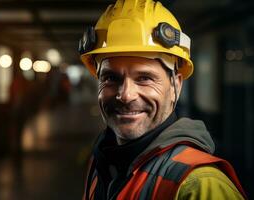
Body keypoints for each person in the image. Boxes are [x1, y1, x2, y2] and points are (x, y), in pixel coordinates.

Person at [78, 0, 247, 199]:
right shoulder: (102, 162)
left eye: (144, 78)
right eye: (110, 78)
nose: (125, 95)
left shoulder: (200, 185)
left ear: (176, 86)